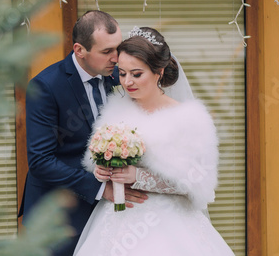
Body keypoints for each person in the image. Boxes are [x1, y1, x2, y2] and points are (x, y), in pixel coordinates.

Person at [74, 27, 235, 255]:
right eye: (122, 73)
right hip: (118, 218)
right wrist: (102, 170)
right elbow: (96, 159)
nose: (127, 81)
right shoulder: (115, 108)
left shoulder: (189, 118)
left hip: (170, 223)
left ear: (158, 72)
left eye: (136, 74)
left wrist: (139, 177)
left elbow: (200, 184)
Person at [18, 11, 148, 256]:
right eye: (107, 51)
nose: (116, 58)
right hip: (58, 215)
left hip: (110, 212)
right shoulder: (45, 87)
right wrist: (101, 189)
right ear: (79, 50)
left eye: (118, 48)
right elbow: (40, 161)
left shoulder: (120, 77)